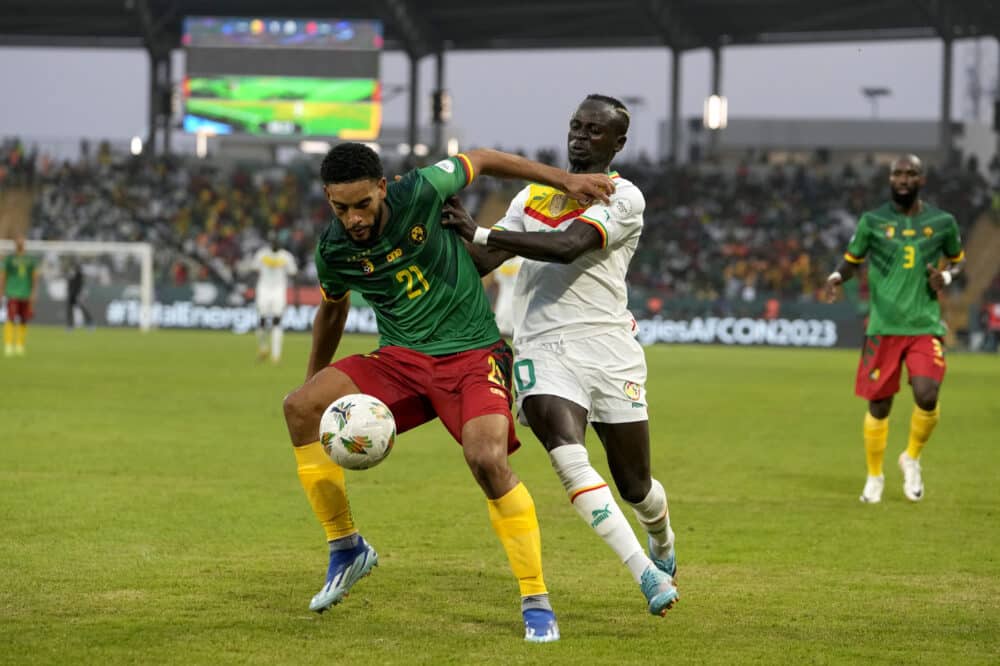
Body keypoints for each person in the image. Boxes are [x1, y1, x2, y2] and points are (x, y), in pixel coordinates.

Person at [281, 142, 615, 642]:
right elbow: (333, 310)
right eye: (340, 208)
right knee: (299, 407)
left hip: (473, 356)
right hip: (401, 361)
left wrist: (565, 180)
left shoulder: (422, 189)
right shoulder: (334, 249)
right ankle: (346, 547)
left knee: (486, 459)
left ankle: (535, 597)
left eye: (362, 205)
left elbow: (482, 158)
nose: (353, 219)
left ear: (382, 188)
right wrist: (316, 384)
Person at [440, 94, 679, 617]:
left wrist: (479, 229)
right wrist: (443, 232)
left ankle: (661, 537)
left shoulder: (623, 196)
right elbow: (482, 260)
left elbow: (569, 246)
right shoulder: (532, 197)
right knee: (568, 456)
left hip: (609, 349)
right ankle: (645, 573)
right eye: (576, 126)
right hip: (543, 347)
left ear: (618, 143)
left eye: (594, 130)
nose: (580, 137)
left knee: (636, 486)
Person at [823, 154, 965, 504]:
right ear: (890, 179)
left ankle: (911, 457)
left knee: (927, 395)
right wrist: (837, 276)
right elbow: (852, 260)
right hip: (883, 327)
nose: (903, 179)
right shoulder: (872, 221)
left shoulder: (943, 222)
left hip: (923, 325)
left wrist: (946, 277)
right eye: (897, 174)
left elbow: (958, 263)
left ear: (921, 180)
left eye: (910, 173)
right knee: (880, 405)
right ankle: (875, 476)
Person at [250, 233, 298, 363]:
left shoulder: (286, 257)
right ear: (270, 242)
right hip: (263, 290)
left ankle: (276, 355)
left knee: (277, 320)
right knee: (262, 320)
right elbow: (254, 270)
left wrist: (296, 297)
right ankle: (263, 347)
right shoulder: (262, 254)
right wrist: (251, 290)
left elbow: (294, 274)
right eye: (273, 241)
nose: (275, 244)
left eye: (276, 242)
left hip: (278, 291)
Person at [2, 236, 39, 357]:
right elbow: (3, 276)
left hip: (25, 293)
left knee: (24, 319)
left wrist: (33, 292)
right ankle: (8, 344)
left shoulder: (31, 260)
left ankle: (19, 345)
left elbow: (35, 277)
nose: (20, 242)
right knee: (10, 318)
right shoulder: (9, 259)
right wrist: (1, 291)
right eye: (18, 240)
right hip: (12, 292)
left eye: (22, 240)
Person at [65, 259, 93, 331]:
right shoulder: (70, 274)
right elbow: (69, 285)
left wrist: (80, 294)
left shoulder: (79, 274)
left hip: (78, 294)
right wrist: (69, 292)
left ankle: (90, 323)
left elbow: (81, 284)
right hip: (71, 294)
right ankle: (70, 325)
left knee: (83, 309)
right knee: (70, 310)